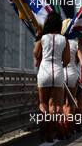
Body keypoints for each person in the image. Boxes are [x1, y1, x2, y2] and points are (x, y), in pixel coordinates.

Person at [33, 12, 70, 142]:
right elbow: (66, 61)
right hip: (58, 73)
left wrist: (37, 39)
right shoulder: (64, 40)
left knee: (43, 104)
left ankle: (45, 127)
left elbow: (36, 54)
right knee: (58, 106)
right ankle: (52, 130)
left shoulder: (42, 38)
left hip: (44, 72)